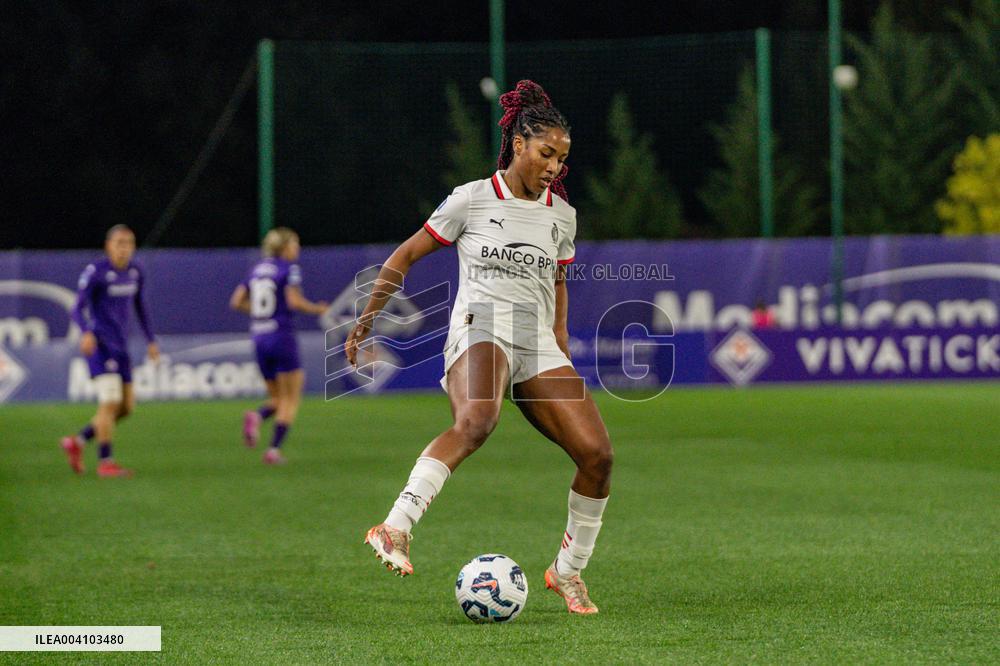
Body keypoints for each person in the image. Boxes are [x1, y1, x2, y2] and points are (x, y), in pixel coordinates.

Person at [348, 80, 613, 614]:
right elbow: (406, 254)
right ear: (518, 144)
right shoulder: (471, 198)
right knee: (477, 421)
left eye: (562, 159)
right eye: (546, 154)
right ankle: (395, 527)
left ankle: (568, 573)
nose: (554, 167)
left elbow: (558, 282)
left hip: (536, 342)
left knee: (598, 456)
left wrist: (558, 344)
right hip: (481, 325)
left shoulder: (561, 215)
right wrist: (367, 318)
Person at [61, 225, 159, 478]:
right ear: (108, 246)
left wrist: (151, 341)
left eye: (129, 242)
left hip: (121, 347)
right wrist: (86, 332)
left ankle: (78, 442)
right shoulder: (97, 272)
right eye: (119, 242)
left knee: (126, 408)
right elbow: (76, 307)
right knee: (110, 403)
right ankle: (106, 462)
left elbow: (141, 307)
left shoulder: (136, 271)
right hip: (100, 346)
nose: (124, 247)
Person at [229, 227, 328, 464]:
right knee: (291, 397)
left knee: (277, 397)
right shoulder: (289, 269)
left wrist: (261, 314)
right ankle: (273, 450)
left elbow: (236, 302)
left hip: (259, 337)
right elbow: (293, 301)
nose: (297, 248)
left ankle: (257, 415)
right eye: (295, 244)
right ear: (284, 247)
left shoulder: (256, 270)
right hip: (281, 336)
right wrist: (317, 309)